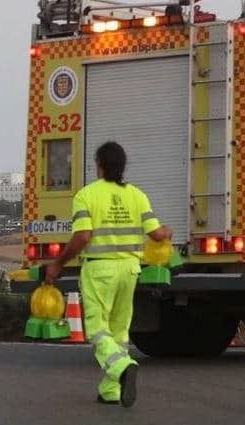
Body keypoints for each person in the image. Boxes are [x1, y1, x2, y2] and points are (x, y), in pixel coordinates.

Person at [44, 142, 173, 407]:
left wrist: (58, 263)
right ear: (123, 167)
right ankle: (111, 390)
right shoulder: (137, 195)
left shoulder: (86, 195)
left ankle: (122, 367)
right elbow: (156, 233)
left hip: (100, 270)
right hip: (130, 269)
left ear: (99, 165)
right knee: (119, 331)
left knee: (97, 330)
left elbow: (83, 236)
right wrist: (167, 232)